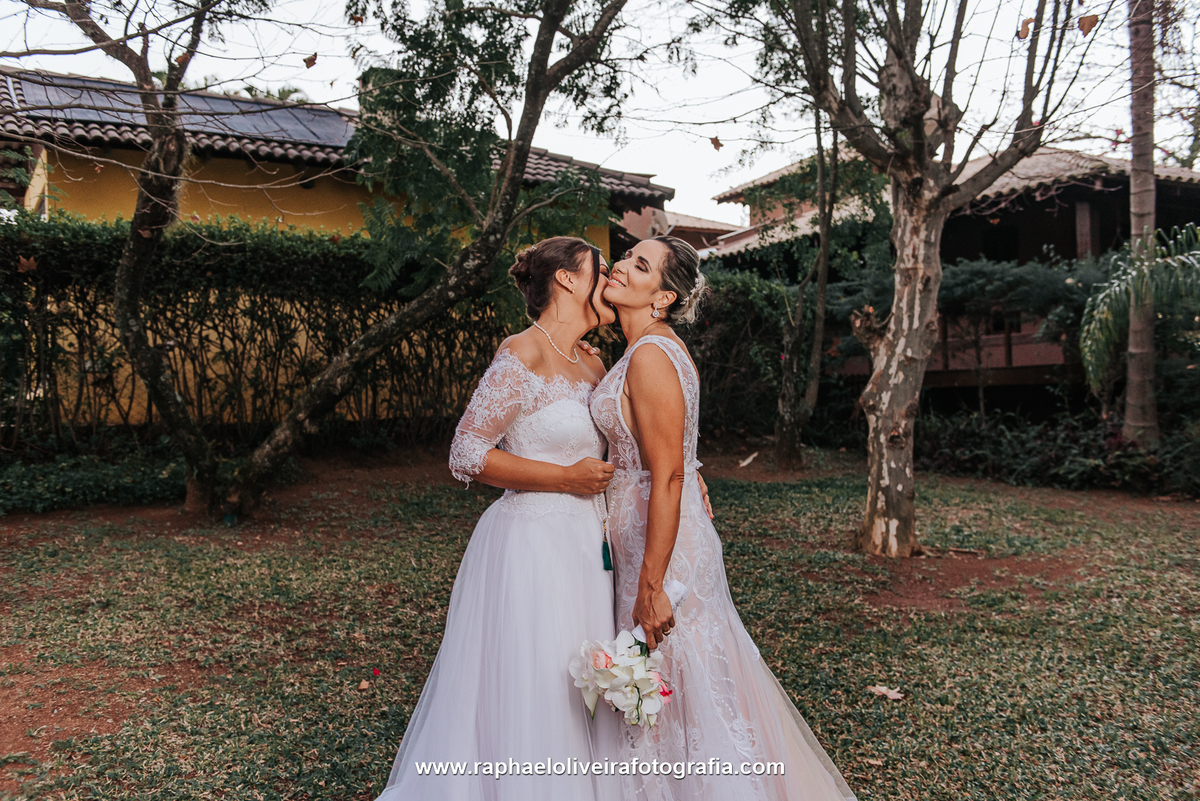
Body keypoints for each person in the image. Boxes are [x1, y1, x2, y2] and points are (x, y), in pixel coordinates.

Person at [591, 236, 857, 801]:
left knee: (679, 676)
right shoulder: (651, 348)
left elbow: (666, 475)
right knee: (679, 679)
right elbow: (676, 458)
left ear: (662, 297)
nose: (619, 267)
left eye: (640, 266)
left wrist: (653, 584)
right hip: (656, 532)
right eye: (626, 257)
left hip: (663, 544)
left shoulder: (648, 356)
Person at [375, 236, 620, 800]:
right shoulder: (522, 353)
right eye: (599, 268)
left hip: (586, 544)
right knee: (535, 676)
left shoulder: (593, 361)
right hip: (530, 542)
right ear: (566, 279)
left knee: (582, 673)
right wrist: (565, 479)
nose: (608, 277)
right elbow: (467, 451)